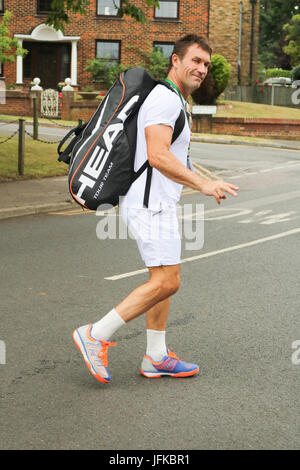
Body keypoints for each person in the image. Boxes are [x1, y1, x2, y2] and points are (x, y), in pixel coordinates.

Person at [73, 34, 239, 383]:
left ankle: (156, 356)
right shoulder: (165, 99)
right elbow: (158, 154)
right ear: (175, 61)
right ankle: (95, 334)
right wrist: (204, 183)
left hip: (157, 201)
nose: (202, 69)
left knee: (163, 278)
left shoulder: (174, 99)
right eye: (195, 61)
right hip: (149, 204)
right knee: (167, 281)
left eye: (206, 64)